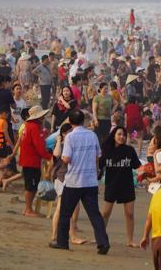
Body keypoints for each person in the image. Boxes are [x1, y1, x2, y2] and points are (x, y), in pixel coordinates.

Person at [50, 109, 110, 254]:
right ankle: (103, 242)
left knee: (65, 212)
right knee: (94, 214)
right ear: (83, 121)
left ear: (70, 122)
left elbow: (66, 158)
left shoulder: (70, 137)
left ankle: (62, 242)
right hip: (90, 180)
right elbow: (98, 156)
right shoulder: (92, 135)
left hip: (74, 181)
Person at [100, 126, 141, 247]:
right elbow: (99, 165)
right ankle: (101, 237)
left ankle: (130, 240)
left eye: (123, 135)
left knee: (130, 214)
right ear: (114, 135)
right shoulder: (107, 150)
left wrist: (148, 176)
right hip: (111, 184)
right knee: (105, 213)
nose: (122, 137)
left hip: (127, 185)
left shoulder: (130, 150)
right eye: (119, 134)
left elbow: (137, 166)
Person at [18, 105, 52, 217]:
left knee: (31, 185)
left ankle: (28, 208)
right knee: (31, 186)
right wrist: (48, 156)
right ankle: (28, 209)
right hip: (31, 160)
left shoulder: (29, 125)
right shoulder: (34, 127)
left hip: (28, 159)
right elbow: (39, 146)